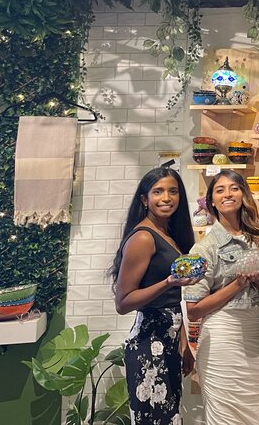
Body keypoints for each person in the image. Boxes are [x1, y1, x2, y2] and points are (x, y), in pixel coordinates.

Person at [184, 169, 259, 425]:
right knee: (224, 418)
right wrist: (237, 284)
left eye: (234, 188)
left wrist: (258, 278)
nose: (228, 193)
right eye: (220, 190)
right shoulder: (204, 247)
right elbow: (194, 310)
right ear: (211, 202)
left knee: (251, 416)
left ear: (243, 194)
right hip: (221, 338)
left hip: (254, 336)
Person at [110, 167, 197, 425]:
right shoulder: (144, 237)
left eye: (173, 191)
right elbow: (123, 303)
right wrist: (168, 281)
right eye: (158, 192)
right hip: (148, 344)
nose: (166, 198)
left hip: (168, 342)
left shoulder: (168, 235)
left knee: (170, 418)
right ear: (144, 199)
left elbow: (174, 301)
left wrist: (184, 344)